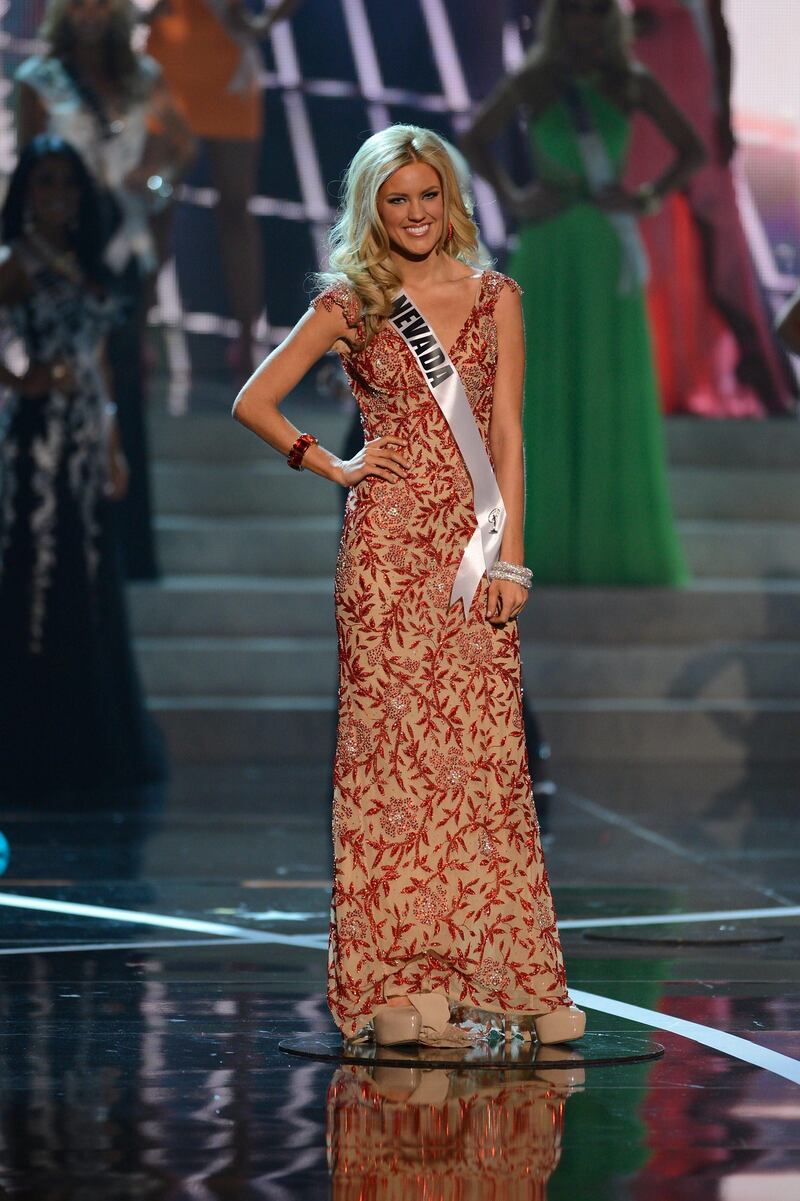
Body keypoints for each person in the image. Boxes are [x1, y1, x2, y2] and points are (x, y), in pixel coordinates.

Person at [233, 125, 583, 1048]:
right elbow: (254, 400)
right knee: (390, 766)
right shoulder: (355, 301)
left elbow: (505, 436)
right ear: (372, 208)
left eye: (430, 196)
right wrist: (333, 463)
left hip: (473, 549)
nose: (417, 213)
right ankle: (392, 981)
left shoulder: (497, 294)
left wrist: (512, 557)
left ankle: (499, 967)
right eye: (398, 200)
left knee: (484, 758)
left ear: (451, 200)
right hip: (385, 556)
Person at [462, 0, 704, 586]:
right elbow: (474, 140)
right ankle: (534, 542)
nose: (585, 21)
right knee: (540, 386)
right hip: (547, 246)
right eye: (575, 11)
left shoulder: (630, 82)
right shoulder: (536, 79)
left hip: (601, 247)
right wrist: (516, 198)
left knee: (603, 383)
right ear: (558, 18)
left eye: (596, 11)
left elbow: (692, 150)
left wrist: (646, 198)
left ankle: (603, 545)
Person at [0, 136, 166, 793]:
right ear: (27, 193)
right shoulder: (14, 263)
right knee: (34, 575)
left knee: (86, 576)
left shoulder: (86, 264)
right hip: (33, 445)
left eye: (67, 185)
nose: (57, 198)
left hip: (82, 441)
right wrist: (30, 376)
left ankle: (87, 738)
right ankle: (30, 740)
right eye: (45, 185)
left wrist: (114, 444)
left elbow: (100, 361)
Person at [16, 0, 195, 580]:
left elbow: (181, 147)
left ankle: (125, 551)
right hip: (63, 255)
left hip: (121, 249)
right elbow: (28, 175)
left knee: (119, 388)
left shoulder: (142, 76)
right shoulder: (39, 80)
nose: (89, 10)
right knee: (69, 386)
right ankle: (68, 547)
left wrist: (155, 185)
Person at [628, 0, 796, 416]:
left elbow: (719, 32)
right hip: (644, 79)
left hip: (693, 82)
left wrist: (721, 114)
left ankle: (760, 377)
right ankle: (655, 380)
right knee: (651, 241)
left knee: (722, 252)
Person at [145, 0, 305, 381]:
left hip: (229, 61)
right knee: (157, 206)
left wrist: (264, 22)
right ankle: (134, 336)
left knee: (236, 208)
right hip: (170, 56)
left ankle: (248, 342)